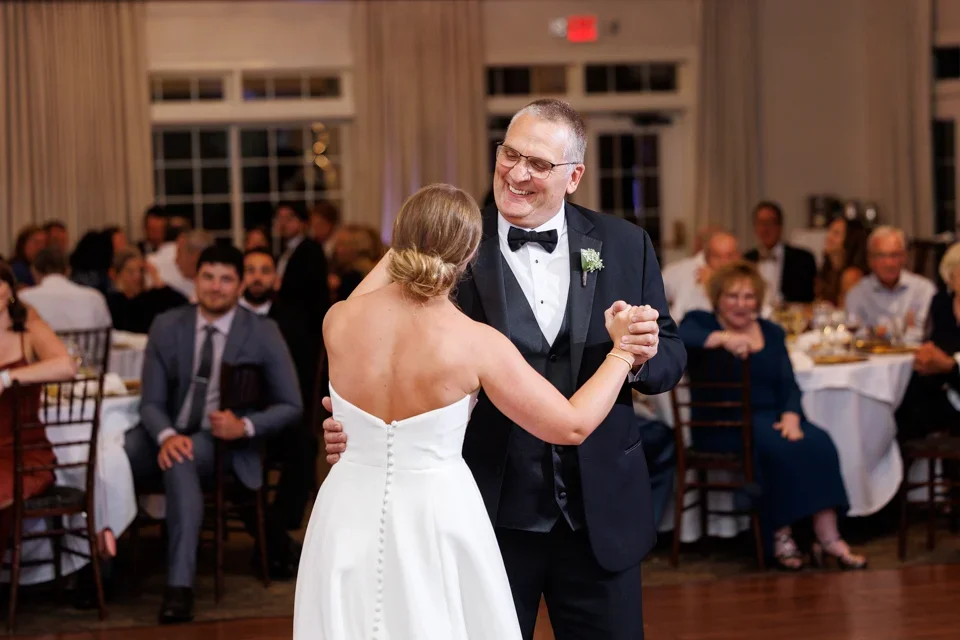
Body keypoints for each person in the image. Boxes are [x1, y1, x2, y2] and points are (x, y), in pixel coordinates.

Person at [321, 98, 685, 639]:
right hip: (485, 513)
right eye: (509, 154)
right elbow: (376, 341)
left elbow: (672, 357)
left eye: (537, 163)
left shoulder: (623, 244)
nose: (516, 173)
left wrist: (643, 350)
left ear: (574, 176)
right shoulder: (453, 247)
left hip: (598, 514)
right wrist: (363, 426)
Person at [123, 244, 302, 624]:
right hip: (166, 430)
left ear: (239, 286)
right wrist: (167, 434)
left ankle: (179, 588)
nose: (216, 287)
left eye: (226, 279)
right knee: (114, 454)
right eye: (208, 277)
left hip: (222, 443)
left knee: (182, 460)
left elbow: (292, 404)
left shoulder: (263, 332)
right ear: (195, 279)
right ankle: (98, 573)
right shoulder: (167, 325)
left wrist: (246, 426)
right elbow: (150, 403)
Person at [678, 261, 866, 571]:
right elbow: (682, 337)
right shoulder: (701, 321)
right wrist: (723, 339)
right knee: (777, 447)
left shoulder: (772, 332)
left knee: (820, 441)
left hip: (771, 418)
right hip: (723, 423)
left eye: (749, 297)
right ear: (718, 298)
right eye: (733, 296)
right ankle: (780, 535)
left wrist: (792, 415)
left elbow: (789, 384)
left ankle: (828, 537)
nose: (741, 304)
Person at [239, 248, 320, 577]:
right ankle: (276, 542)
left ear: (276, 278)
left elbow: (300, 378)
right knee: (235, 460)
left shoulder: (292, 320)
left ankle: (278, 528)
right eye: (250, 270)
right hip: (236, 420)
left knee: (305, 444)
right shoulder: (229, 318)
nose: (257, 276)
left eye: (264, 270)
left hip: (279, 415)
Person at [0, 262, 78, 562]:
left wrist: (8, 378)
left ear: (10, 289)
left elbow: (66, 366)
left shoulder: (28, 326)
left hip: (24, 453)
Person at [844, 226, 936, 331]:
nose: (888, 263)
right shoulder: (857, 294)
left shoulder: (923, 290)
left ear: (905, 257)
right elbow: (855, 335)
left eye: (894, 255)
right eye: (881, 256)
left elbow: (925, 332)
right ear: (870, 259)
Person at [744, 201, 817, 305]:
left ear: (780, 227)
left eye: (770, 222)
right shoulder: (746, 260)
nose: (765, 229)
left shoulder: (803, 259)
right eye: (761, 223)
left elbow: (808, 299)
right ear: (755, 228)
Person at [816, 216, 868, 307]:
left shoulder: (852, 275)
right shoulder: (828, 270)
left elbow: (847, 314)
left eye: (836, 234)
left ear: (850, 239)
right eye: (829, 231)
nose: (829, 237)